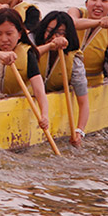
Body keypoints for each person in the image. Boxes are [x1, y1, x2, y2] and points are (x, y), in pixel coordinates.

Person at [0, 8, 49, 132]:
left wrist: (44, 114)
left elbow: (39, 89)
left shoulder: (27, 53)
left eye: (9, 34)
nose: (4, 39)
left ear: (19, 34)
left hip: (14, 106)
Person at [68, 0, 108, 130]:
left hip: (88, 84)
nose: (98, 4)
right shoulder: (76, 12)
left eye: (104, 1)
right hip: (63, 78)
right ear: (86, 3)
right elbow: (73, 23)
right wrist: (100, 23)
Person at [34, 11, 89, 146]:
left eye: (60, 33)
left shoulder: (74, 62)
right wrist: (49, 46)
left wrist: (79, 131)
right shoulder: (32, 46)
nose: (54, 37)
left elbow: (83, 102)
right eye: (50, 31)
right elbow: (29, 56)